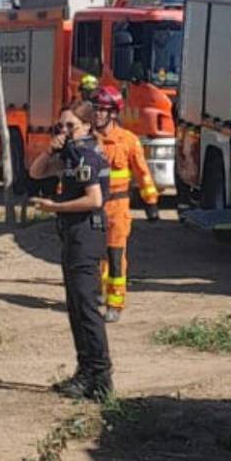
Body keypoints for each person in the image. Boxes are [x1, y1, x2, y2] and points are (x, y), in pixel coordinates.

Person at [29, 101, 113, 401]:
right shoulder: (69, 154)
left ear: (88, 127)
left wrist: (56, 207)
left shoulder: (87, 154)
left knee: (87, 308)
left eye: (70, 126)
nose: (64, 132)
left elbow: (94, 200)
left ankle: (100, 377)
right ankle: (85, 371)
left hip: (86, 235)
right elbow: (36, 172)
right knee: (76, 307)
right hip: (72, 235)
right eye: (60, 126)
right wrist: (50, 149)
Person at [90, 85, 159, 323]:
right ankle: (100, 290)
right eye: (95, 109)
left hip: (118, 207)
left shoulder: (128, 141)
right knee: (95, 254)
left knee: (115, 255)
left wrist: (151, 202)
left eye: (102, 110)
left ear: (113, 113)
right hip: (93, 206)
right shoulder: (88, 140)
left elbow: (142, 172)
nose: (97, 114)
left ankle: (115, 303)